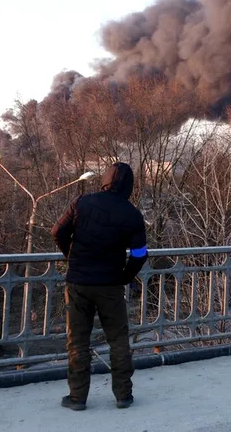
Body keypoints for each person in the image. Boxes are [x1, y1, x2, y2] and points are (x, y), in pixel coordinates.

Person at [52, 163, 148, 411]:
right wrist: (126, 275)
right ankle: (123, 395)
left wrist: (70, 257)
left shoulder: (82, 202)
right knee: (118, 339)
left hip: (78, 283)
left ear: (104, 180)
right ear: (129, 185)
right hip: (111, 284)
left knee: (78, 340)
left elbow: (57, 231)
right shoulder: (131, 213)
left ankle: (77, 397)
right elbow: (139, 253)